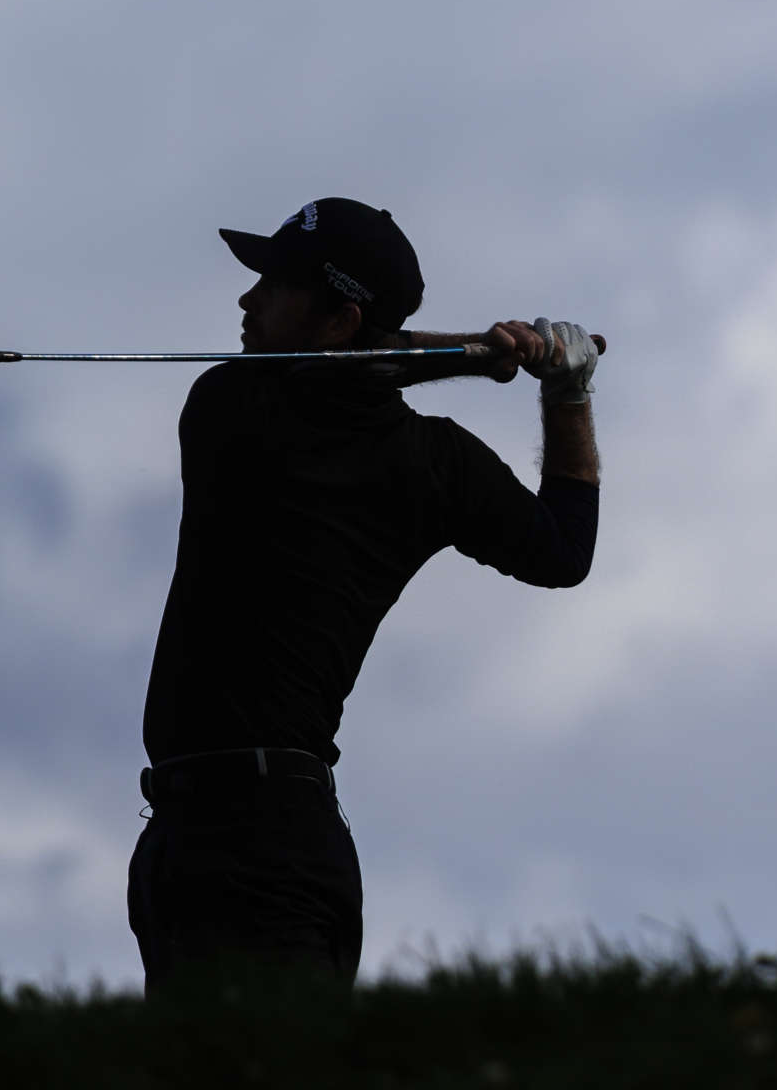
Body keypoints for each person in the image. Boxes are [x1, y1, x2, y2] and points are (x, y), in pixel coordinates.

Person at [126, 197, 602, 998]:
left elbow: (564, 555)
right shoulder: (405, 454)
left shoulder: (232, 408)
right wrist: (560, 387)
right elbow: (565, 541)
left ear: (340, 319)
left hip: (265, 847)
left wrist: (491, 361)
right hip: (194, 842)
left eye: (274, 286)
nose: (247, 301)